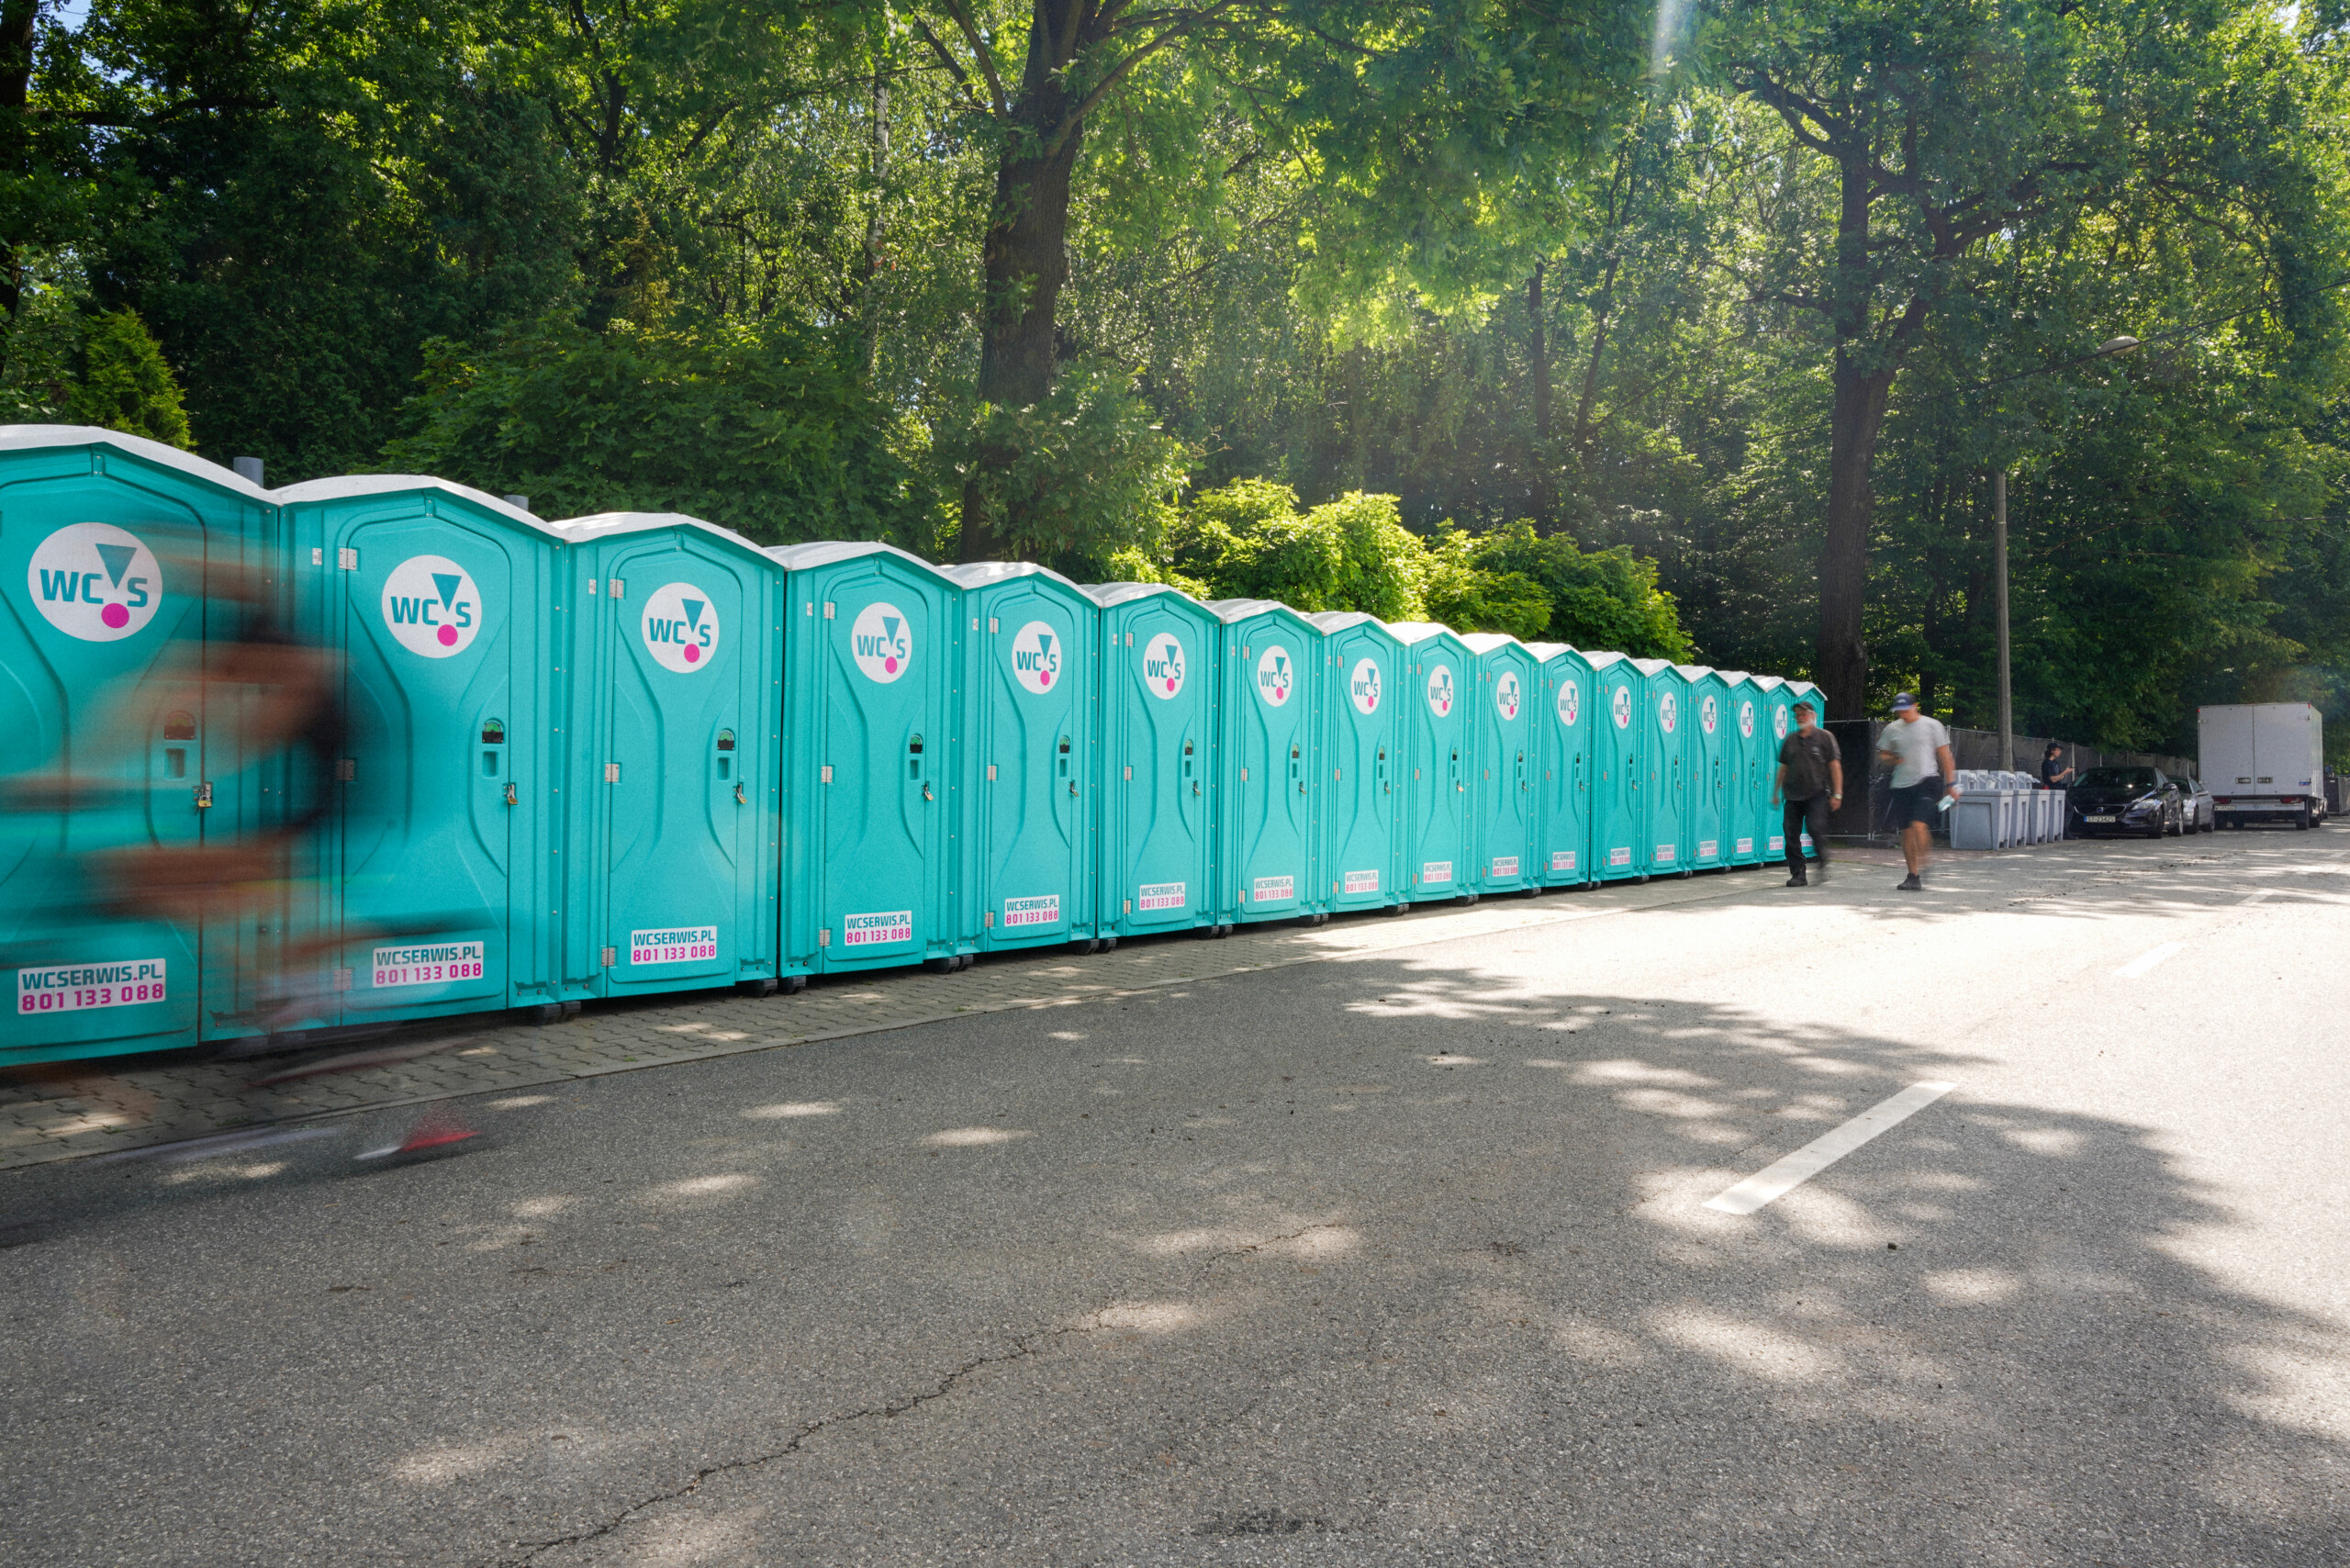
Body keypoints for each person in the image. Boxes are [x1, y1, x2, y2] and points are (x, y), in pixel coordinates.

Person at [1878, 693, 1958, 890]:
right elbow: (1883, 754)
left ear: (1915, 705)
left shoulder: (1932, 725)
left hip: (1928, 780)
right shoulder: (1892, 729)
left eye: (1906, 709)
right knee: (1906, 832)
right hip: (1901, 784)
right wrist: (1892, 758)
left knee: (1918, 825)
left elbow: (1945, 756)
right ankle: (1913, 876)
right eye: (1899, 711)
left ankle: (1925, 860)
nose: (1903, 714)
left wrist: (1952, 784)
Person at [1770, 700, 1842, 885]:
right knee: (1790, 833)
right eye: (1797, 715)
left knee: (1814, 828)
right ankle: (1798, 874)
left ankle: (1822, 858)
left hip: (1816, 793)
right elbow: (1783, 767)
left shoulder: (1825, 737)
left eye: (1804, 714)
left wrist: (1838, 794)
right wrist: (1776, 792)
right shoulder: (1790, 740)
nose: (1800, 718)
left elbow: (1835, 766)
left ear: (1813, 716)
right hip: (1792, 795)